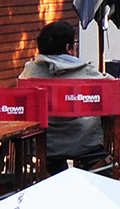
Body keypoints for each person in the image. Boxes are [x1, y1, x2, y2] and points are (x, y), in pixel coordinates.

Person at [21, 20, 108, 168]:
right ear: (69, 48)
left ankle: (50, 175)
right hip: (83, 142)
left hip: (43, 143)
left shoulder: (30, 71)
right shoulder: (84, 71)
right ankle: (91, 173)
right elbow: (112, 89)